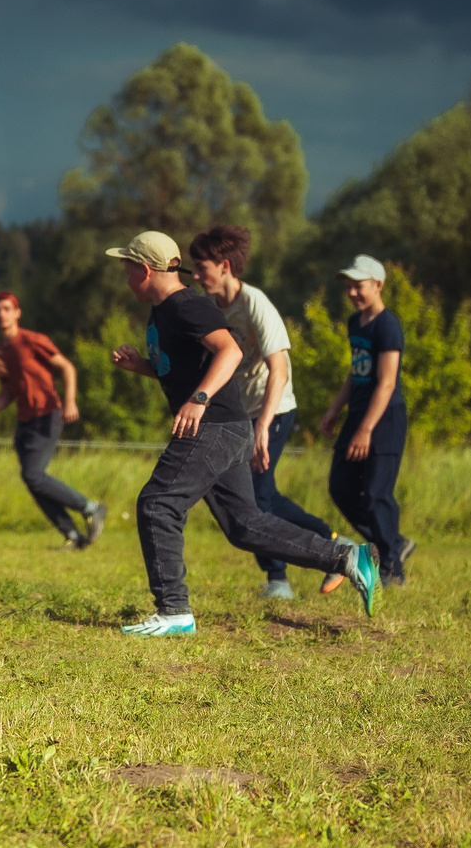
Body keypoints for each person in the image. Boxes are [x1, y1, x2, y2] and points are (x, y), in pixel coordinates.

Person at [103, 231, 380, 637]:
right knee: (244, 525)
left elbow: (230, 350)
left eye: (127, 268)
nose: (124, 276)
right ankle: (347, 557)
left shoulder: (187, 305)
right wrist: (140, 366)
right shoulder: (162, 310)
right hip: (226, 428)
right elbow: (178, 368)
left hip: (212, 425)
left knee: (158, 503)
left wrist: (199, 398)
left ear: (145, 269)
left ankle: (174, 611)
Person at [186, 224, 331, 602]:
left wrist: (263, 427)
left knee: (256, 499)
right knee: (262, 497)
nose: (197, 275)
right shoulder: (213, 309)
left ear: (225, 265)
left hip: (274, 409)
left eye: (202, 267)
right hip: (242, 414)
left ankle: (281, 578)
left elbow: (279, 369)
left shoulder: (255, 304)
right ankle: (328, 539)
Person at [0, 293, 105, 549]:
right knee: (32, 479)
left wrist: (69, 401)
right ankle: (72, 535)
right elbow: (8, 393)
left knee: (33, 475)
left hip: (47, 415)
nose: (1, 314)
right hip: (24, 422)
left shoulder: (33, 341)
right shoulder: (0, 352)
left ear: (17, 313)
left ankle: (90, 507)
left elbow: (67, 367)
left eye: (6, 309)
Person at [317, 255, 411, 584]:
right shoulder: (355, 323)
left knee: (375, 493)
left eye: (359, 286)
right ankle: (394, 542)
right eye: (349, 287)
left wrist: (366, 430)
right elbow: (355, 372)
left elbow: (386, 382)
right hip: (357, 415)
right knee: (341, 486)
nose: (353, 293)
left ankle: (391, 567)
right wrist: (334, 410)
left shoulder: (388, 326)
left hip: (384, 420)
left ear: (378, 285)